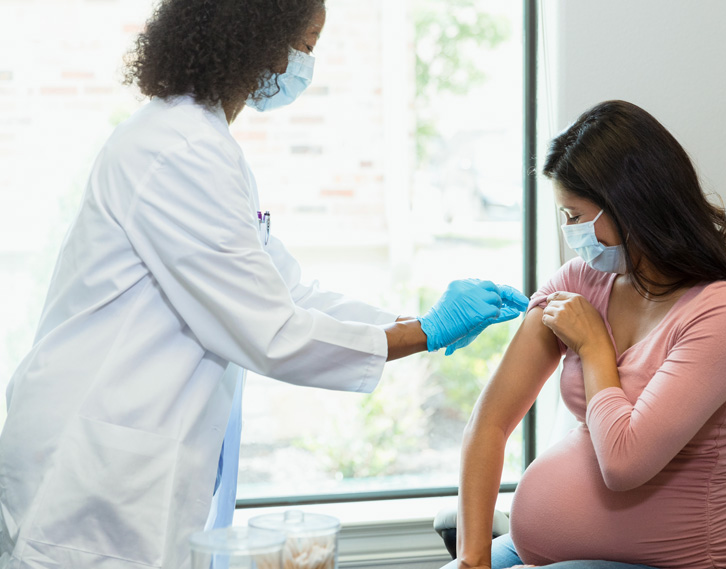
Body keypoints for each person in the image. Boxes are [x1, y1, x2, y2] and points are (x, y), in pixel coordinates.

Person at [0, 1, 527, 568]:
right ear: (256, 37)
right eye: (306, 44)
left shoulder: (204, 144)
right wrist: (425, 332)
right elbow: (271, 332)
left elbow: (289, 292)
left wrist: (412, 319)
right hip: (87, 479)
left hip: (126, 466)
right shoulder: (179, 149)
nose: (306, 63)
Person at [447, 100, 726, 569]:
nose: (569, 232)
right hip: (538, 553)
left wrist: (594, 346)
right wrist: (472, 561)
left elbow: (624, 463)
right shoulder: (578, 282)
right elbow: (488, 423)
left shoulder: (724, 313)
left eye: (575, 216)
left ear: (631, 206)